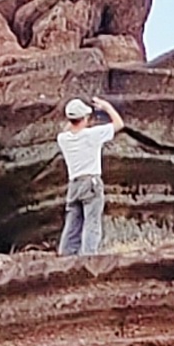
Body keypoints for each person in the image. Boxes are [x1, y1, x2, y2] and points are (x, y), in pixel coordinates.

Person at [56, 96, 122, 254]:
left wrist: (74, 118)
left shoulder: (63, 139)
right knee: (91, 223)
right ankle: (88, 258)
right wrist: (107, 106)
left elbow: (68, 128)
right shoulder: (92, 135)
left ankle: (65, 256)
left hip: (74, 185)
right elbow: (119, 124)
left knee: (72, 223)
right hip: (91, 183)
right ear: (84, 118)